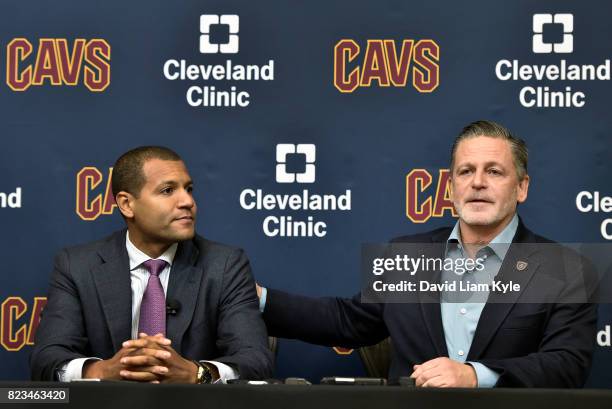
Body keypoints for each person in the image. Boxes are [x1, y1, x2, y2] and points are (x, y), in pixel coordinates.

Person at [258, 120, 597, 388]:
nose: (478, 182)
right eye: (466, 171)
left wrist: (474, 375)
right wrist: (257, 299)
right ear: (450, 189)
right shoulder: (409, 254)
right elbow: (348, 321)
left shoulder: (566, 268)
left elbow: (566, 364)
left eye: (494, 171)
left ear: (521, 187)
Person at [32, 146, 272, 383]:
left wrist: (196, 374)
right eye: (168, 190)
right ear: (127, 204)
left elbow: (255, 360)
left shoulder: (226, 265)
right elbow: (47, 359)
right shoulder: (76, 266)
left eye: (189, 189)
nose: (187, 201)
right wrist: (103, 371)